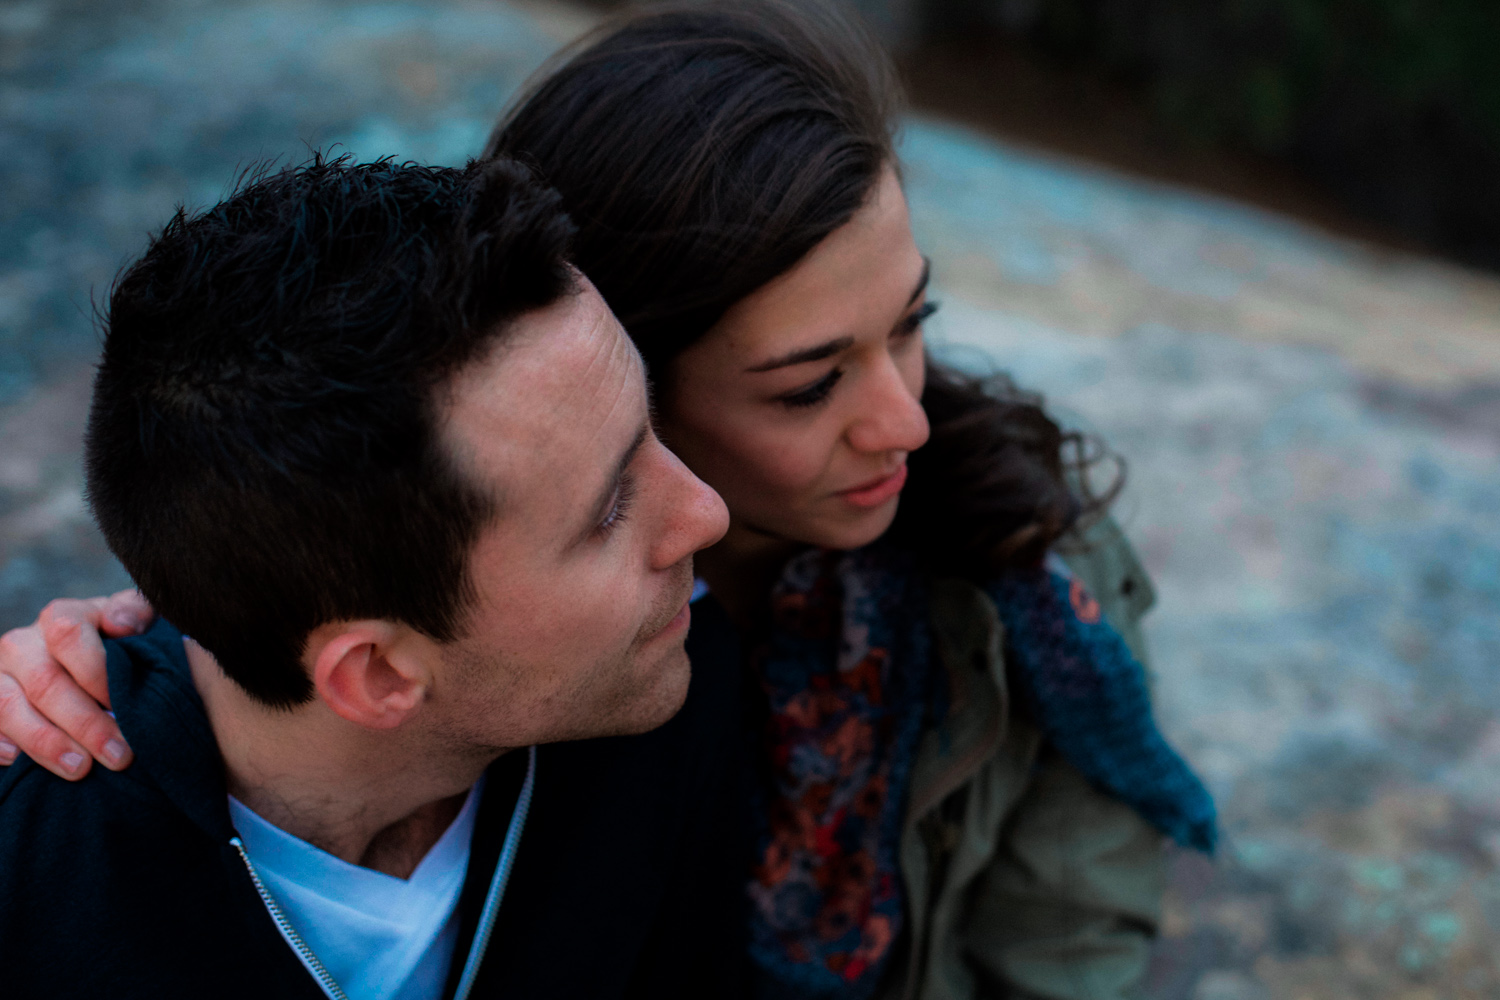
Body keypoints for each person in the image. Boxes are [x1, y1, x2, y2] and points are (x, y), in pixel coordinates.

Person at [0, 2, 1216, 997]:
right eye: (803, 385)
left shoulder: (677, 709)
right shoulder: (87, 825)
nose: (907, 415)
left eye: (913, 326)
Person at [0, 154, 733, 999]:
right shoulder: (35, 907)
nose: (705, 513)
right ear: (377, 673)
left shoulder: (662, 690)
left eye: (650, 424)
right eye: (608, 511)